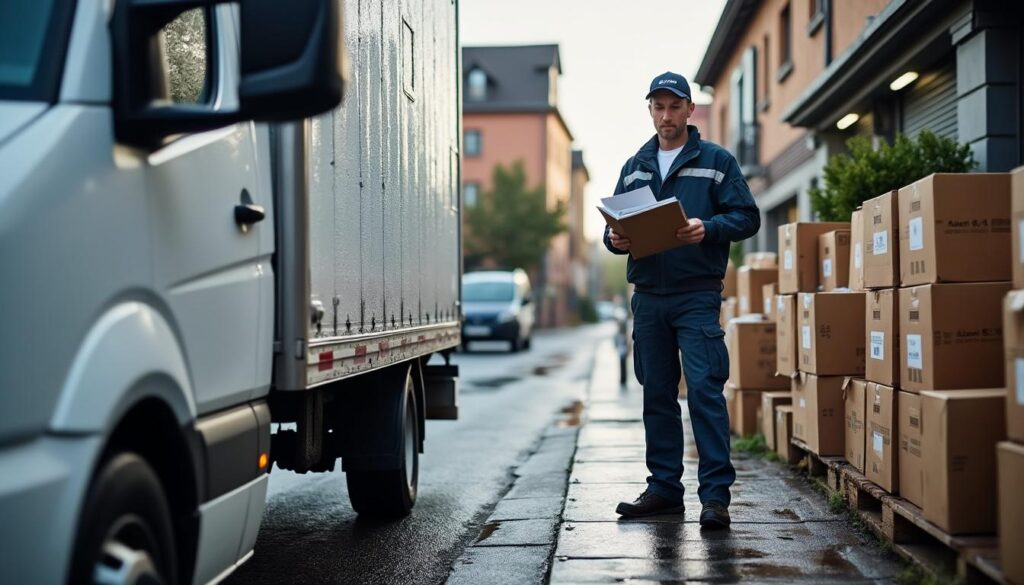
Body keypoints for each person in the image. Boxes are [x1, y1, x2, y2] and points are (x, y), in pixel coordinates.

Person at [604, 72, 760, 529]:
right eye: (659, 107)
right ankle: (664, 491)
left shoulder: (717, 161)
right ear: (650, 110)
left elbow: (747, 217)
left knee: (705, 392)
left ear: (690, 110)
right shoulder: (635, 166)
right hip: (649, 298)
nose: (666, 115)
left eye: (675, 106)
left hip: (696, 295)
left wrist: (707, 228)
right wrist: (614, 240)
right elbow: (614, 228)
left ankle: (715, 498)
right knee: (657, 394)